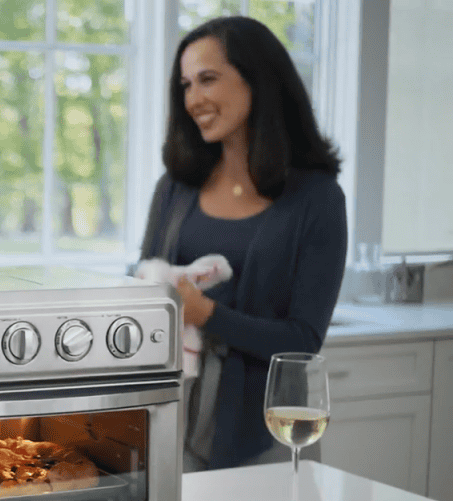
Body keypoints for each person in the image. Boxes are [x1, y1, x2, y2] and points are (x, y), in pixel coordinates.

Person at [139, 16, 347, 471]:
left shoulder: (317, 199)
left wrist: (206, 314)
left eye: (208, 79)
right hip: (173, 426)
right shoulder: (175, 188)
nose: (194, 99)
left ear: (260, 80)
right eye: (186, 85)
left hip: (270, 432)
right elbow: (145, 285)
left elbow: (303, 342)